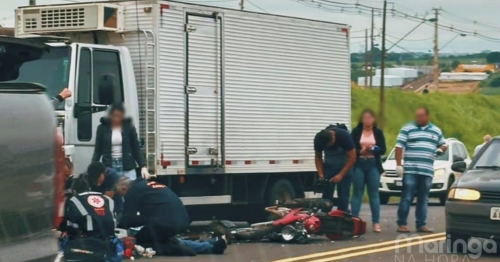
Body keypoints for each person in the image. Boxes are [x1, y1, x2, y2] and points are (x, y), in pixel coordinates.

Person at [115, 177, 227, 256]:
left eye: (120, 193)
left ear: (125, 188)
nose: (122, 197)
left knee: (141, 242)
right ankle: (212, 244)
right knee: (165, 239)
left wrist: (113, 228)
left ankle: (186, 249)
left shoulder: (133, 191)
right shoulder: (148, 185)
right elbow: (145, 217)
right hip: (181, 219)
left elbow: (127, 218)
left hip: (165, 223)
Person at [395, 106, 447, 233]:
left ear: (427, 116)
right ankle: (402, 223)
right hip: (411, 169)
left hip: (427, 170)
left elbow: (444, 144)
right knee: (407, 196)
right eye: (416, 116)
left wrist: (440, 149)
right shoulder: (407, 128)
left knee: (423, 198)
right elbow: (399, 146)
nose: (418, 118)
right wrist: (398, 164)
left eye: (421, 116)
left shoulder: (436, 130)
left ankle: (421, 224)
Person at [58, 175, 122, 262]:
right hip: (109, 241)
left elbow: (72, 229)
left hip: (89, 243)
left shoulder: (74, 200)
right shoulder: (106, 198)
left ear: (74, 191)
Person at [350, 110, 386, 233]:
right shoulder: (356, 132)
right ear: (361, 120)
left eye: (370, 118)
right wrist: (361, 151)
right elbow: (351, 147)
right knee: (357, 193)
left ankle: (376, 222)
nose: (367, 120)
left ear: (373, 120)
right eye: (365, 118)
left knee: (373, 194)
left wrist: (373, 149)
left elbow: (383, 149)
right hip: (359, 163)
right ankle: (354, 221)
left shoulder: (378, 132)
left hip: (373, 164)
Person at [92, 103, 149, 180]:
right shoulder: (102, 128)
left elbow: (136, 148)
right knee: (112, 189)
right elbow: (98, 150)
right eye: (114, 116)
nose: (116, 119)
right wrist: (92, 167)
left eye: (119, 116)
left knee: (129, 189)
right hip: (109, 165)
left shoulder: (129, 127)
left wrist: (143, 166)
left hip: (127, 165)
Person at [314, 125, 356, 212]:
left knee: (343, 196)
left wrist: (340, 175)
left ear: (333, 138)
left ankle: (342, 217)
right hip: (329, 168)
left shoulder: (344, 136)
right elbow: (318, 157)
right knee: (326, 197)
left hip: (345, 167)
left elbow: (352, 158)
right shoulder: (318, 139)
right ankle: (325, 218)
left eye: (329, 145)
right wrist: (321, 174)